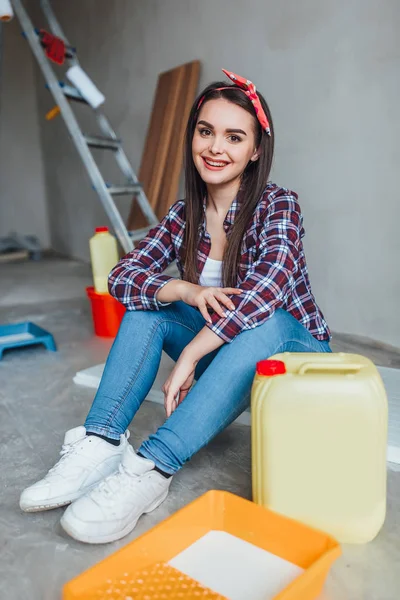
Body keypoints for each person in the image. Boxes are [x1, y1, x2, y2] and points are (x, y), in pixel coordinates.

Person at [20, 69, 331, 544]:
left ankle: (149, 468)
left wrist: (189, 355)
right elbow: (121, 279)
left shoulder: (278, 205)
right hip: (227, 359)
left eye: (234, 136)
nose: (215, 147)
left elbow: (266, 291)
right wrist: (184, 290)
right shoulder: (183, 214)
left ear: (255, 150)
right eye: (205, 131)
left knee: (267, 321)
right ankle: (100, 442)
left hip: (291, 356)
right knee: (149, 306)